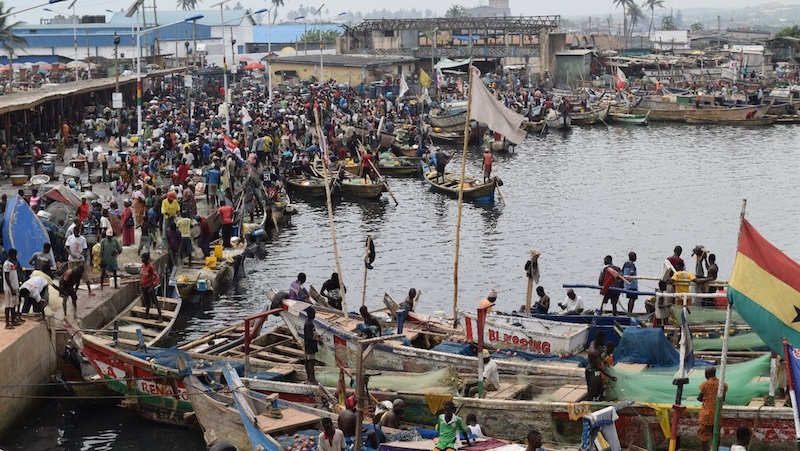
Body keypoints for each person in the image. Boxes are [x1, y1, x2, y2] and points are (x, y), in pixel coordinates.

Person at [698, 366, 727, 451]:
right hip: (717, 414)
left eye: (705, 373)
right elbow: (723, 399)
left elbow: (700, 398)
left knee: (703, 435)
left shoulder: (704, 385)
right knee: (716, 435)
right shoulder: (723, 385)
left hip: (705, 415)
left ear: (708, 374)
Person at [139, 253, 163, 322]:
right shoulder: (143, 266)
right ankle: (146, 315)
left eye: (143, 259)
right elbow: (143, 276)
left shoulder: (150, 267)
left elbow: (157, 277)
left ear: (146, 259)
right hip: (144, 287)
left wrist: (153, 286)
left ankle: (160, 318)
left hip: (149, 287)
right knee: (147, 302)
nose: (142, 260)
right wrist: (142, 284)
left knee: (155, 302)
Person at [303, 306, 320, 384]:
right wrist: (316, 338)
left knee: (308, 361)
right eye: (314, 314)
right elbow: (309, 337)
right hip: (310, 346)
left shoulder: (309, 323)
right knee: (310, 362)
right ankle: (311, 379)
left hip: (309, 345)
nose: (314, 315)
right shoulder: (308, 324)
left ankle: (310, 378)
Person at [3, 249, 19, 328]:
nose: (16, 257)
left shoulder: (12, 264)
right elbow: (6, 277)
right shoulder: (6, 264)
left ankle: (13, 321)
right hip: (9, 288)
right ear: (12, 255)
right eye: (15, 255)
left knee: (13, 305)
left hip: (14, 287)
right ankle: (7, 323)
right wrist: (11, 288)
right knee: (8, 305)